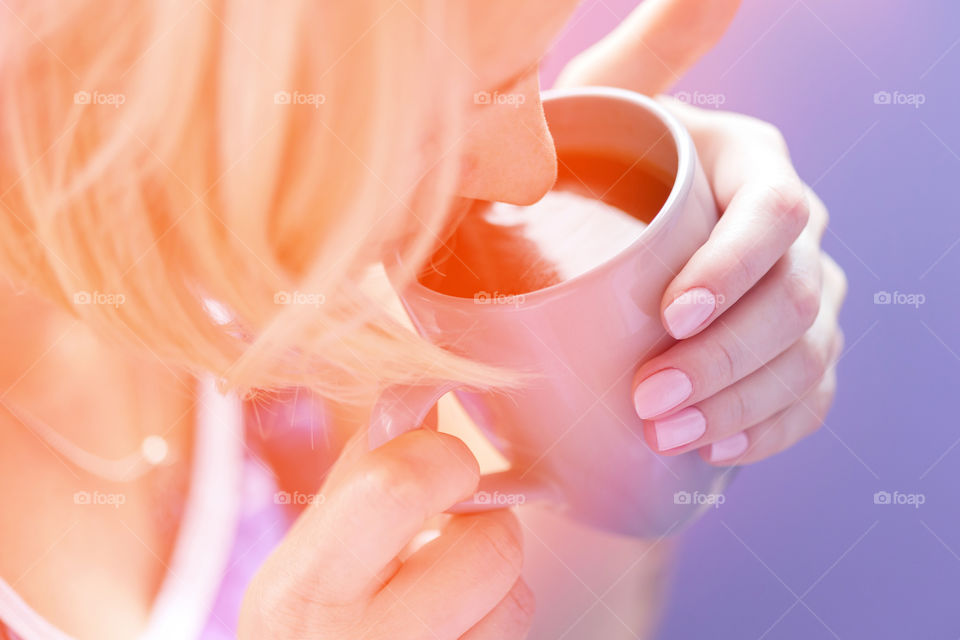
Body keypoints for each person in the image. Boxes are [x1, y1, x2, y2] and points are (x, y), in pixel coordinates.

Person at [0, 0, 847, 638]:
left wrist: (605, 392)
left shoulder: (287, 327)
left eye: (530, 68)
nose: (530, 173)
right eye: (442, 113)